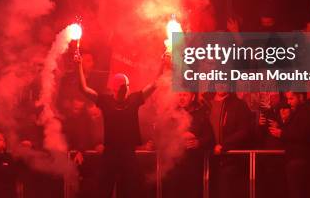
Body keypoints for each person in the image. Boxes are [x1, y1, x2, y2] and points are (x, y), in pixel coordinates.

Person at [76, 51, 164, 197]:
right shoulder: (105, 101)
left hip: (128, 153)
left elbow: (154, 85)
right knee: (103, 191)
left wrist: (162, 63)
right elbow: (84, 89)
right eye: (125, 85)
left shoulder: (134, 99)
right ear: (116, 87)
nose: (127, 87)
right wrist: (79, 65)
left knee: (133, 190)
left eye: (128, 85)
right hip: (110, 153)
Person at [163, 92, 213, 198]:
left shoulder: (201, 115)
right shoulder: (171, 115)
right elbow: (162, 136)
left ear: (192, 97)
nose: (181, 98)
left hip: (193, 168)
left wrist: (199, 142)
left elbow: (210, 138)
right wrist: (177, 138)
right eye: (179, 95)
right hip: (174, 168)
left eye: (185, 95)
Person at [269, 92, 310, 198]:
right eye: (287, 99)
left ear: (300, 97)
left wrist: (282, 133)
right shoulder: (301, 111)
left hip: (299, 159)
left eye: (291, 99)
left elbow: (303, 133)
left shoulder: (306, 111)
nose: (288, 102)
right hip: (296, 159)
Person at [208, 89, 252, 198]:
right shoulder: (206, 104)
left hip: (230, 159)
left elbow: (244, 131)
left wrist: (224, 145)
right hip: (207, 159)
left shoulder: (239, 105)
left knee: (226, 191)